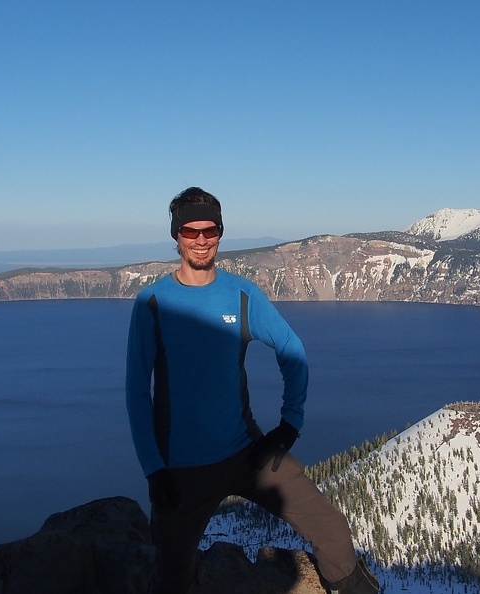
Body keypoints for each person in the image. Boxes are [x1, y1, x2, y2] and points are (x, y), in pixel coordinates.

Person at [125, 187, 379, 594]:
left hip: (248, 454)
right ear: (176, 235)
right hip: (181, 470)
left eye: (210, 230)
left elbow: (291, 349)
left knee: (330, 528)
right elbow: (137, 392)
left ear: (220, 233)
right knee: (172, 576)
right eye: (190, 231)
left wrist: (289, 425)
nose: (201, 239)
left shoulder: (241, 294)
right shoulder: (153, 303)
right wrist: (154, 468)